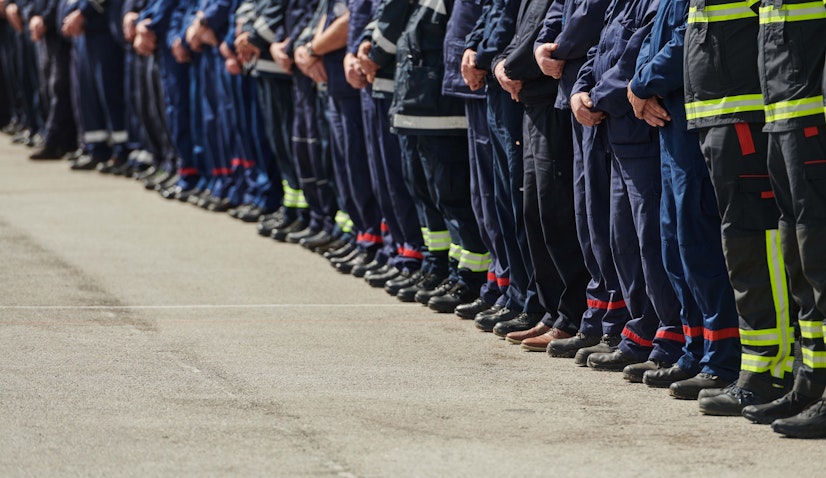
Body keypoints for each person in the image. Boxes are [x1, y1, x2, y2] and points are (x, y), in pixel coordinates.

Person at [681, 0, 795, 416]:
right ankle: (760, 365)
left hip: (743, 112)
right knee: (741, 246)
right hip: (718, 114)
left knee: (757, 244)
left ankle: (772, 370)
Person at [628, 0, 741, 400]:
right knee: (675, 247)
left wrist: (642, 85)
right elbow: (651, 40)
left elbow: (685, 40)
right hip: (672, 122)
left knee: (700, 247)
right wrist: (640, 83)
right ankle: (694, 351)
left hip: (693, 122)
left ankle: (722, 359)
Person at [740, 0, 826, 438]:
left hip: (812, 111)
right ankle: (810, 382)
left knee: (819, 255)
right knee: (798, 255)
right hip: (783, 113)